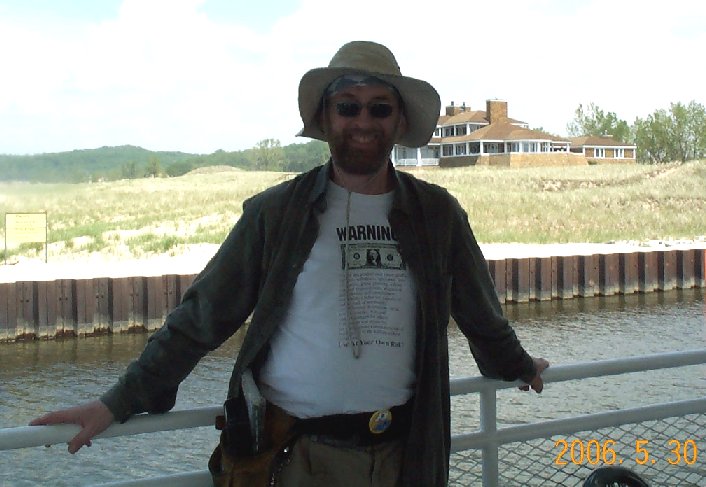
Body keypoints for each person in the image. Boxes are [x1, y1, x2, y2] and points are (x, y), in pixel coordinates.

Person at [30, 40, 549, 486]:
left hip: (407, 456)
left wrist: (517, 366)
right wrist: (118, 402)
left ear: (399, 121)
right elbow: (200, 318)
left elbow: (481, 313)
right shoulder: (275, 215)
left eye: (379, 108)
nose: (363, 121)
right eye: (347, 107)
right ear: (325, 118)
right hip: (295, 458)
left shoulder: (437, 215)